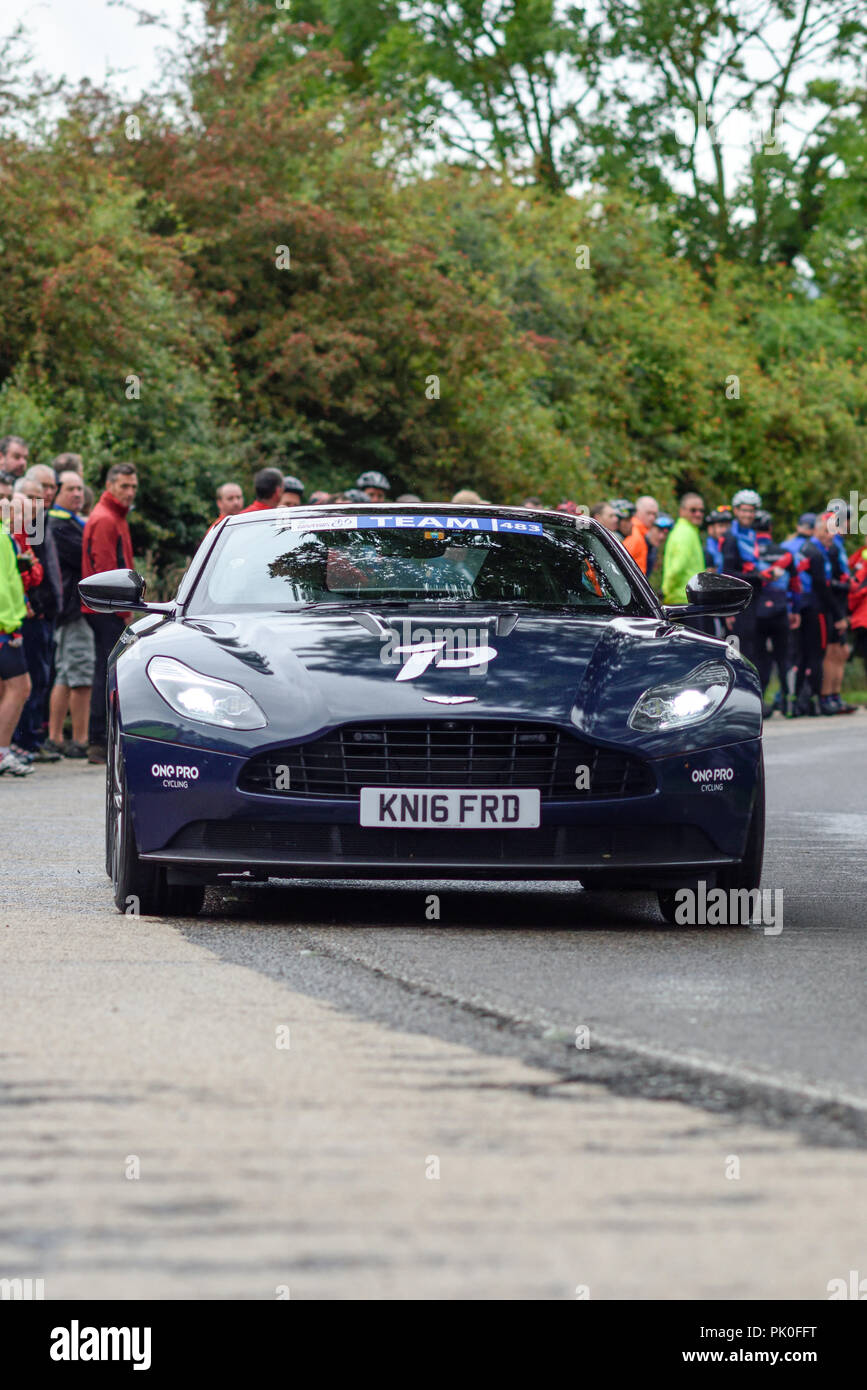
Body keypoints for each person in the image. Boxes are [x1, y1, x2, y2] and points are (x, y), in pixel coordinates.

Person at [81, 463, 138, 763]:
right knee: (109, 671)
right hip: (106, 607)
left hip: (108, 607)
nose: (130, 492)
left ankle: (101, 741)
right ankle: (99, 742)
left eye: (133, 487)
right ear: (110, 485)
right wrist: (122, 608)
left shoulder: (114, 515)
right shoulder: (106, 518)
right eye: (124, 486)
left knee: (107, 669)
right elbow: (105, 573)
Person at [11, 477, 63, 762]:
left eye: (39, 495)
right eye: (30, 497)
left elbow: (41, 572)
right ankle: (22, 741)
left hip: (43, 613)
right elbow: (25, 576)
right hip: (26, 615)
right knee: (27, 679)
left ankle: (30, 739)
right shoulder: (20, 530)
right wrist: (32, 602)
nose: (37, 501)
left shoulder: (37, 526)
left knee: (41, 677)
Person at [46, 471, 95, 758]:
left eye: (80, 489)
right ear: (59, 493)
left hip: (68, 610)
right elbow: (84, 557)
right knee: (80, 674)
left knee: (66, 673)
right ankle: (80, 739)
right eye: (71, 489)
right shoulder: (59, 524)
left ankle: (56, 738)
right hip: (73, 609)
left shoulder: (70, 522)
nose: (77, 494)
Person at [795, 513, 850, 715]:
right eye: (826, 531)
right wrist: (838, 616)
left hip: (813, 606)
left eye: (833, 531)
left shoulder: (825, 550)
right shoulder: (814, 552)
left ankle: (808, 700)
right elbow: (822, 588)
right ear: (816, 530)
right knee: (817, 655)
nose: (830, 535)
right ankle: (818, 699)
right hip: (814, 607)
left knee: (813, 654)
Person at [0, 523, 33, 776]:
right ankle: (2, 751)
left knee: (7, 688)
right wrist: (10, 624)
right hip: (5, 626)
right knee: (20, 686)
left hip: (9, 622)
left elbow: (11, 581)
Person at [661, 493, 706, 606]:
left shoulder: (689, 531)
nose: (698, 514)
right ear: (682, 511)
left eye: (701, 510)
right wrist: (665, 592)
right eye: (693, 510)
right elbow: (677, 568)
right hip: (682, 600)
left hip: (686, 598)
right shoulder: (684, 533)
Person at [623, 495, 659, 574]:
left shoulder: (642, 534)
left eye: (654, 514)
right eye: (648, 513)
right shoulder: (634, 534)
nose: (652, 518)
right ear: (637, 512)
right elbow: (622, 563)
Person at [704, 507, 732, 573]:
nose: (725, 530)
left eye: (727, 526)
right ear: (710, 529)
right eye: (721, 526)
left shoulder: (731, 546)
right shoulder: (707, 551)